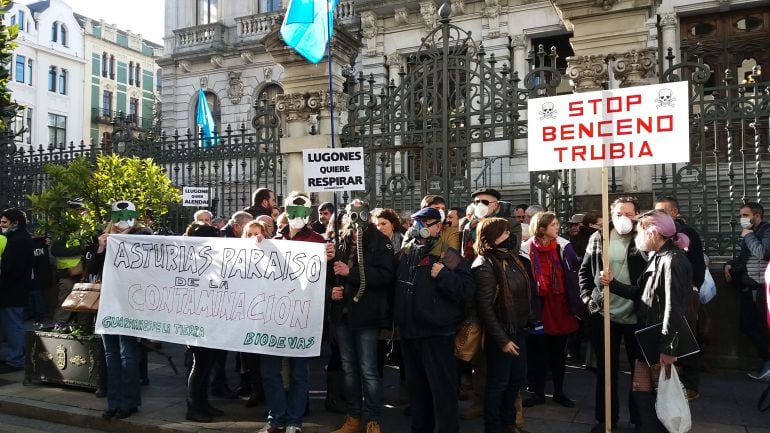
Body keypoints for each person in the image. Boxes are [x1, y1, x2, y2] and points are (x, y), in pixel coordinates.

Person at [599, 209, 693, 433]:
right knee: (642, 392)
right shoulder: (658, 257)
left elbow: (674, 307)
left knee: (662, 397)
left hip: (662, 340)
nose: (637, 236)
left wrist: (669, 347)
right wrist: (612, 283)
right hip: (649, 337)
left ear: (654, 233)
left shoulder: (673, 260)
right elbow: (642, 293)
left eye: (641, 231)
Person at [393, 207, 474, 433]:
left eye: (428, 223)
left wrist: (445, 276)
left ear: (438, 226)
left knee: (443, 392)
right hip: (410, 333)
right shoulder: (406, 252)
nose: (422, 227)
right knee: (417, 392)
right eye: (419, 222)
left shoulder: (448, 255)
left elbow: (467, 291)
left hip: (437, 334)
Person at [259, 192, 334, 433]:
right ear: (286, 211)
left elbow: (327, 279)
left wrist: (330, 260)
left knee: (300, 373)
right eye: (293, 210)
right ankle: (276, 418)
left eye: (302, 210)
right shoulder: (275, 240)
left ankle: (294, 421)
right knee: (270, 372)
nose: (297, 216)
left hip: (303, 318)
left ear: (309, 212)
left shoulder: (318, 241)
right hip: (275, 317)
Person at [579, 197, 647, 433]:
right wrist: (588, 298)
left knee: (639, 372)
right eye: (618, 214)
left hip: (637, 315)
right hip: (605, 314)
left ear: (638, 214)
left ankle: (639, 419)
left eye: (629, 214)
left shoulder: (645, 238)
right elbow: (585, 271)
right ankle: (606, 418)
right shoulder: (599, 237)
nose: (623, 219)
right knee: (606, 370)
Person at [330, 199, 395, 433]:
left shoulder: (380, 242)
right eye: (351, 214)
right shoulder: (342, 240)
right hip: (344, 314)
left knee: (368, 369)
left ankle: (373, 419)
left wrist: (353, 273)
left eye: (360, 213)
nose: (356, 218)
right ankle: (353, 417)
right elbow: (333, 274)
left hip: (366, 314)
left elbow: (385, 276)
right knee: (349, 369)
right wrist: (333, 291)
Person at [88, 201, 152, 419]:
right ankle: (113, 402)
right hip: (108, 304)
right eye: (118, 216)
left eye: (127, 215)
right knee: (111, 355)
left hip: (129, 304)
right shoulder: (104, 239)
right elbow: (92, 271)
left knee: (128, 354)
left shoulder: (142, 236)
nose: (122, 220)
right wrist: (100, 248)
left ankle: (129, 402)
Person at [472, 217, 532, 433]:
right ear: (491, 238)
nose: (510, 236)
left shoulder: (512, 259)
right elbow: (485, 308)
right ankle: (493, 427)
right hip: (501, 335)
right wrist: (503, 340)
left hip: (519, 329)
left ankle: (508, 423)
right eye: (504, 233)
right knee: (499, 382)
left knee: (517, 378)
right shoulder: (484, 264)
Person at [521, 211, 582, 409]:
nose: (557, 228)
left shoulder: (564, 247)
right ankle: (537, 392)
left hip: (561, 307)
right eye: (553, 225)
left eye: (557, 224)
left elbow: (575, 272)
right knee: (537, 354)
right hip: (538, 309)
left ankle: (559, 392)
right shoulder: (525, 249)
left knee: (558, 353)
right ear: (541, 229)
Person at [654, 196, 706, 398]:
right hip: (667, 294)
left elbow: (697, 265)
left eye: (664, 211)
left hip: (684, 294)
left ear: (675, 212)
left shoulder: (685, 233)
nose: (660, 216)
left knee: (686, 337)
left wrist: (693, 286)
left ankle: (691, 386)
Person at [184, 223, 225, 422]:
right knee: (200, 365)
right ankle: (193, 407)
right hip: (198, 321)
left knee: (206, 365)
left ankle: (203, 403)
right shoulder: (195, 260)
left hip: (211, 319)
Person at [725, 202, 770, 380]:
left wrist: (749, 235)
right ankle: (766, 361)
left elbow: (762, 253)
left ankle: (768, 361)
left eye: (745, 215)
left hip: (760, 288)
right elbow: (744, 258)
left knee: (758, 327)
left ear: (757, 216)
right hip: (749, 286)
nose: (742, 219)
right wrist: (729, 265)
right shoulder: (751, 233)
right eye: (741, 215)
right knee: (748, 326)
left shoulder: (766, 230)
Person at [0, 208, 34, 374]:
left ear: (15, 223)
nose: (1, 225)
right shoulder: (16, 238)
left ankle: (16, 359)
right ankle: (14, 356)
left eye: (4, 222)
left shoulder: (18, 240)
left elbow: (12, 267)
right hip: (12, 289)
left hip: (12, 290)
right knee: (11, 325)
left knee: (13, 325)